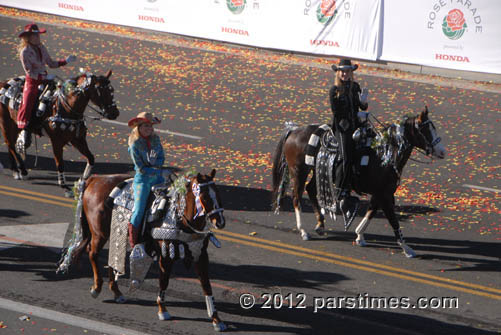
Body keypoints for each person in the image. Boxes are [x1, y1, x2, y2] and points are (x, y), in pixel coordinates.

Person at [17, 23, 76, 149]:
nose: (38, 37)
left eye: (38, 35)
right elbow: (30, 72)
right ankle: (25, 129)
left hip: (45, 79)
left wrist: (65, 61)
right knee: (28, 103)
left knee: (61, 96)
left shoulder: (41, 47)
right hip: (33, 81)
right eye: (35, 35)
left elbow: (51, 63)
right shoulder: (25, 52)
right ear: (28, 37)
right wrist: (44, 77)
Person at [329, 58, 369, 224]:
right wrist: (351, 119)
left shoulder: (355, 87)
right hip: (342, 127)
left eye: (347, 71)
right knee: (346, 157)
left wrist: (364, 102)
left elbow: (362, 107)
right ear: (338, 73)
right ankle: (340, 191)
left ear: (351, 73)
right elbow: (336, 112)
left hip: (356, 125)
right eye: (342, 71)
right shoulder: (334, 90)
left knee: (369, 148)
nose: (345, 74)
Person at [127, 112, 165, 248]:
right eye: (145, 126)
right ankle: (133, 239)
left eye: (150, 126)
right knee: (139, 209)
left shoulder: (156, 139)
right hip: (143, 180)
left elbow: (161, 156)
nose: (148, 129)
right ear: (138, 127)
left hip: (158, 177)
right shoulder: (135, 144)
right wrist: (153, 168)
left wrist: (157, 163)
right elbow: (140, 167)